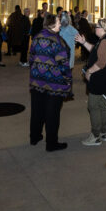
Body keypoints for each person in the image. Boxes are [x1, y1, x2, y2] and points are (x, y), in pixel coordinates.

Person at [28, 13, 72, 152]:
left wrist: (37, 71)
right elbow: (63, 64)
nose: (60, 24)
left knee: (37, 110)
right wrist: (68, 80)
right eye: (58, 22)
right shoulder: (57, 41)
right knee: (52, 114)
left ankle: (34, 137)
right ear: (52, 24)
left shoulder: (37, 36)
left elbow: (31, 58)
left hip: (37, 81)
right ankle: (51, 143)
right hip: (54, 84)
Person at [77, 18, 106, 146]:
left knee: (93, 106)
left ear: (103, 28)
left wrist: (89, 71)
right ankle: (104, 132)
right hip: (104, 79)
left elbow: (101, 62)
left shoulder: (105, 41)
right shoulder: (104, 39)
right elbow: (95, 50)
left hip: (99, 79)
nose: (95, 29)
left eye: (97, 27)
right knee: (102, 105)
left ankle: (95, 136)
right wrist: (84, 42)